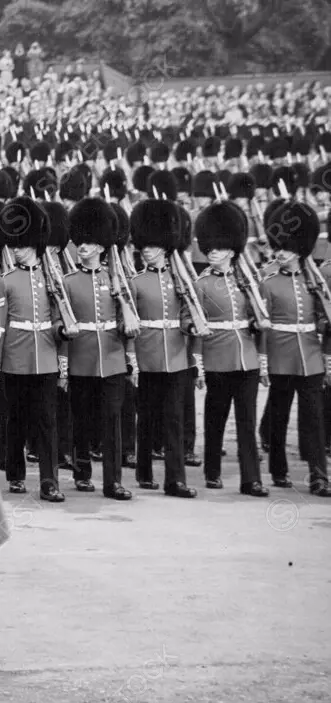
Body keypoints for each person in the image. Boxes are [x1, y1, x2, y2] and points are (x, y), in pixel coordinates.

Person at [0, 196, 68, 502]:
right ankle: (15, 473)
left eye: (22, 244)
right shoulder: (5, 282)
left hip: (46, 359)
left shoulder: (53, 279)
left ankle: (49, 481)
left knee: (48, 421)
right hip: (15, 360)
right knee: (17, 419)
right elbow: (0, 328)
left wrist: (62, 361)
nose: (16, 250)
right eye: (14, 245)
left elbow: (63, 322)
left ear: (35, 243)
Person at [193, 200, 269, 497]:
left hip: (246, 359)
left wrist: (261, 360)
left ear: (231, 248)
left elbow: (261, 322)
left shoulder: (250, 281)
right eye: (209, 247)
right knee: (216, 418)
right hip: (217, 359)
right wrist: (198, 364)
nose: (212, 252)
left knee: (247, 423)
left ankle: (251, 478)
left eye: (218, 247)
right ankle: (212, 471)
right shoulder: (201, 285)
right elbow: (198, 326)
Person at [260, 200, 331, 497]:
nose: (281, 253)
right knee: (278, 414)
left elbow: (323, 321)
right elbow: (263, 324)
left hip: (311, 357)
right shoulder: (268, 281)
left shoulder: (316, 280)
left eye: (287, 248)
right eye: (280, 247)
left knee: (313, 419)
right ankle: (278, 469)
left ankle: (319, 476)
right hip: (281, 356)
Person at [64, 198, 133, 500]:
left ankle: (113, 481)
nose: (83, 246)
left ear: (103, 246)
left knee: (112, 422)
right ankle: (82, 473)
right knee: (82, 420)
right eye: (81, 241)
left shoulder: (117, 280)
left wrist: (130, 356)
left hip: (113, 358)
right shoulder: (68, 281)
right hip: (81, 359)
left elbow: (128, 320)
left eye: (91, 242)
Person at [128, 198, 197, 498]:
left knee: (174, 420)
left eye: (153, 245)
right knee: (147, 418)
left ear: (166, 247)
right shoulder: (136, 281)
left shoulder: (181, 279)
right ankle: (144, 471)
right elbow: (129, 321)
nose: (146, 250)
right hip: (148, 356)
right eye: (144, 245)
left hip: (177, 355)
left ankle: (175, 479)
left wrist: (190, 322)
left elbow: (188, 312)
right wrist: (133, 358)